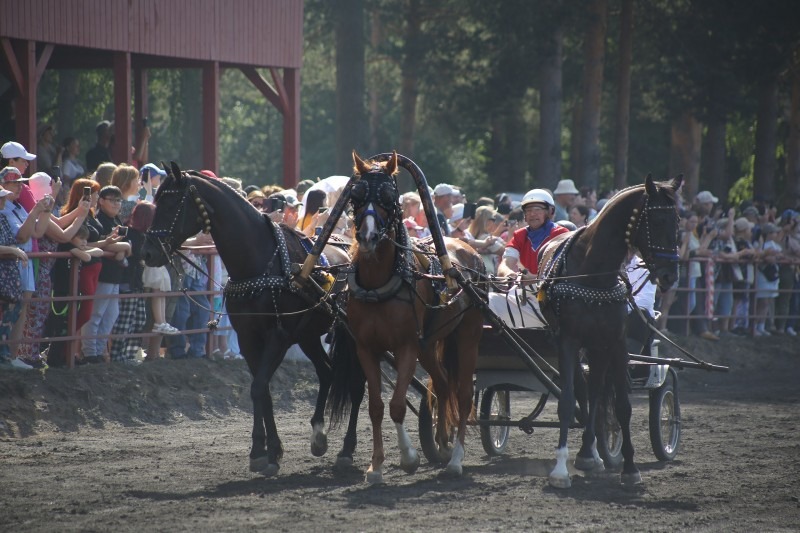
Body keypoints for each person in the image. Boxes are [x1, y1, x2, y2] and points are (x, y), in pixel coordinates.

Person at [490, 189, 570, 328]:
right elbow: (505, 263)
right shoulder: (520, 235)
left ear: (550, 212)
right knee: (484, 301)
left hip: (552, 299)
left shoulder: (562, 234)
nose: (532, 214)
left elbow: (562, 271)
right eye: (528, 210)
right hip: (524, 294)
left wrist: (534, 278)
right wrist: (509, 273)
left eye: (537, 209)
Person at [0, 167, 56, 363]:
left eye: (19, 182)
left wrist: (46, 210)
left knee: (21, 310)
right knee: (10, 310)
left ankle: (13, 357)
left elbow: (38, 232)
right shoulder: (4, 208)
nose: (17, 186)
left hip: (25, 262)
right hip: (10, 263)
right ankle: (7, 356)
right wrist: (36, 210)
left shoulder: (18, 207)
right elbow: (21, 235)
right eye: (12, 183)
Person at [80, 185, 131, 363]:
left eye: (119, 200)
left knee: (111, 315)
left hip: (114, 276)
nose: (117, 204)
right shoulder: (100, 219)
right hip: (103, 274)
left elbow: (124, 245)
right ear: (101, 201)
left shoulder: (116, 220)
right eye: (112, 200)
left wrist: (123, 249)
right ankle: (90, 352)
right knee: (96, 315)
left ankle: (100, 351)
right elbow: (102, 243)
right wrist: (124, 247)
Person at [109, 202, 164, 364]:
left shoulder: (144, 235)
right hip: (127, 281)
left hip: (137, 281)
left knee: (139, 319)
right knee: (125, 320)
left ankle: (129, 354)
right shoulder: (130, 233)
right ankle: (118, 356)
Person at [0, 186, 33, 369]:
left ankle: (4, 356)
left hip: (9, 275)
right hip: (3, 274)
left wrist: (13, 250)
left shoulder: (3, 218)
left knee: (10, 313)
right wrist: (13, 250)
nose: (3, 200)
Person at [753, 223, 781, 336]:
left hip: (773, 276)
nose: (776, 234)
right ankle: (754, 325)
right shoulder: (760, 244)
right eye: (774, 232)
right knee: (762, 301)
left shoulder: (775, 244)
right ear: (768, 234)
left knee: (767, 302)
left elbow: (779, 255)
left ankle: (761, 325)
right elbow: (762, 256)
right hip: (763, 275)